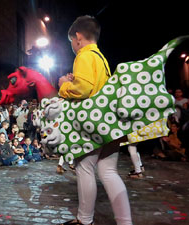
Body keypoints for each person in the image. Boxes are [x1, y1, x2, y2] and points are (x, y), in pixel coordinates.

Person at [58, 16, 132, 225]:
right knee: (108, 171)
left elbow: (83, 89)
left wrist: (64, 84)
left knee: (84, 168)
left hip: (93, 126)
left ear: (78, 37)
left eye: (71, 41)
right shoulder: (101, 58)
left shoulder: (84, 55)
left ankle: (85, 220)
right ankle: (125, 222)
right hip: (111, 124)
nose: (72, 45)